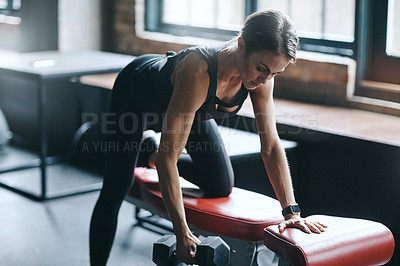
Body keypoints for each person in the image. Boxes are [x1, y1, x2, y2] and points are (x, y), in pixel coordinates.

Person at [89, 9, 326, 265]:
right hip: (137, 96)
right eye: (261, 68)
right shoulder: (197, 70)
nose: (265, 79)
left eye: (274, 73)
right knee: (117, 184)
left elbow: (270, 145)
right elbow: (169, 159)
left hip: (191, 110)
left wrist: (291, 213)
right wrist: (181, 231)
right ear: (242, 44)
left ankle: (147, 150)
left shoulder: (262, 78)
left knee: (220, 184)